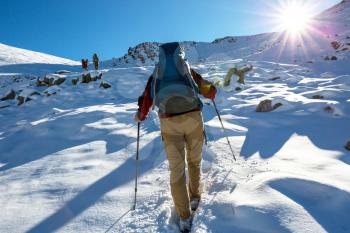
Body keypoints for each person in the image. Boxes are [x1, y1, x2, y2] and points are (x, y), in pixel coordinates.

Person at [134, 42, 216, 232]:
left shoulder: (156, 75)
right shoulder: (188, 71)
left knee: (177, 171)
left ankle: (185, 218)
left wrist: (140, 115)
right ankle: (195, 198)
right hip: (193, 119)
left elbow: (146, 101)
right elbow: (210, 93)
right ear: (180, 55)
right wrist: (211, 89)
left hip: (169, 122)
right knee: (194, 162)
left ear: (161, 58)